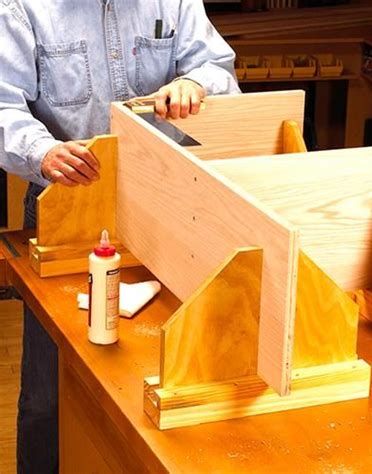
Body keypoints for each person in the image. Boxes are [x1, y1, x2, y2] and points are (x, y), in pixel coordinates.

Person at [0, 1, 240, 472]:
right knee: (50, 394)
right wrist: (41, 152)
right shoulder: (24, 6)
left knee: (155, 372)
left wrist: (196, 84)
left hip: (168, 204)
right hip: (69, 206)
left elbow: (216, 67)